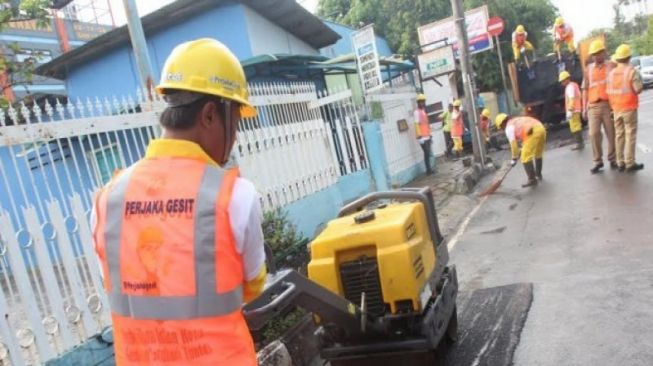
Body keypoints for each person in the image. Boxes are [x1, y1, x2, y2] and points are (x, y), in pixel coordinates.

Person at [92, 38, 267, 366]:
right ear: (211, 115)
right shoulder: (234, 196)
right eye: (237, 121)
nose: (236, 136)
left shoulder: (108, 199)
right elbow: (254, 284)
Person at [607, 44, 645, 172]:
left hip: (616, 109)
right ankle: (630, 163)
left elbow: (609, 92)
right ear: (629, 57)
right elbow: (638, 89)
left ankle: (620, 162)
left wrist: (612, 108)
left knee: (619, 135)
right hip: (629, 107)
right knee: (630, 135)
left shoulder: (611, 74)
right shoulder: (631, 71)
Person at [582, 39, 617, 173]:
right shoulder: (588, 70)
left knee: (611, 133)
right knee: (593, 133)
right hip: (593, 106)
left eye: (599, 53)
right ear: (592, 55)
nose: (597, 56)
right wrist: (584, 107)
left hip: (608, 104)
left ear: (604, 52)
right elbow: (585, 88)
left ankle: (613, 159)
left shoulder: (611, 66)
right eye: (594, 54)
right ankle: (598, 161)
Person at [495, 113, 547, 187]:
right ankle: (538, 175)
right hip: (541, 128)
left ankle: (532, 180)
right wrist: (520, 150)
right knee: (538, 154)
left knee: (525, 157)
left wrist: (513, 158)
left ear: (502, 123)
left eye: (501, 127)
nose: (502, 129)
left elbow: (513, 145)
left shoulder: (508, 128)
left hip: (532, 133)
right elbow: (523, 140)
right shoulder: (515, 121)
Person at [559, 70, 584, 150]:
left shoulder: (569, 87)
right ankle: (580, 143)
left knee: (575, 127)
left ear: (567, 79)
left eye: (562, 81)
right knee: (577, 126)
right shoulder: (574, 85)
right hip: (576, 109)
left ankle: (579, 143)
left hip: (573, 110)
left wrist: (570, 110)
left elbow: (572, 99)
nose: (562, 83)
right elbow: (579, 96)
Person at [414, 93, 434, 174]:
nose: (422, 103)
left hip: (427, 136)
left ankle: (429, 169)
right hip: (422, 137)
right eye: (421, 102)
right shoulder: (416, 112)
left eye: (423, 101)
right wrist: (419, 136)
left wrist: (430, 134)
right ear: (418, 103)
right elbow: (416, 124)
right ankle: (428, 170)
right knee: (426, 153)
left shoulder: (424, 111)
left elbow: (426, 124)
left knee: (428, 153)